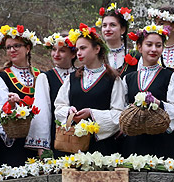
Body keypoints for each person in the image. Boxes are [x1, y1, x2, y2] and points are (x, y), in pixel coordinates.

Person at [53, 24, 125, 155]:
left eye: (83, 48)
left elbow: (119, 114)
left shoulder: (112, 79)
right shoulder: (72, 78)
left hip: (103, 149)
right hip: (73, 146)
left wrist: (92, 114)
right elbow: (59, 106)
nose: (78, 53)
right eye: (77, 49)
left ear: (97, 49)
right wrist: (69, 111)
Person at [120, 24, 174, 158]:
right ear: (139, 47)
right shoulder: (128, 78)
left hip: (162, 142)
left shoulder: (170, 76)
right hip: (134, 142)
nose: (153, 49)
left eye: (158, 45)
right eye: (149, 45)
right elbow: (121, 109)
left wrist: (158, 103)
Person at [0, 25, 42, 166]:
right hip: (15, 143)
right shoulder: (2, 77)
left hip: (39, 141)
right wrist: (12, 106)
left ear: (28, 48)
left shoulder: (41, 75)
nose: (12, 50)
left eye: (16, 46)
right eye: (8, 47)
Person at [32, 32, 77, 153]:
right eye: (53, 49)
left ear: (73, 54)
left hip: (81, 135)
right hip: (57, 137)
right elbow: (42, 113)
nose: (56, 54)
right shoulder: (45, 78)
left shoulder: (82, 75)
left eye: (62, 50)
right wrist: (42, 146)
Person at [97, 3, 137, 76]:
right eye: (104, 25)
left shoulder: (135, 56)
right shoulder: (96, 56)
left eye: (112, 25)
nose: (107, 29)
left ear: (122, 29)